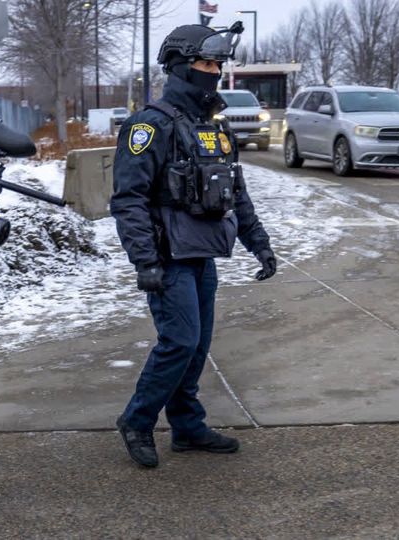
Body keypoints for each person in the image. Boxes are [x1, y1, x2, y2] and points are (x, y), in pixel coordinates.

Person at [109, 23, 277, 468]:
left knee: (197, 345)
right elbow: (128, 200)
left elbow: (235, 193)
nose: (214, 71)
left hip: (203, 253)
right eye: (205, 63)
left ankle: (186, 426)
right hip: (168, 258)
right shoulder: (148, 126)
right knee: (179, 341)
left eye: (218, 64)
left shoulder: (213, 128)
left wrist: (259, 244)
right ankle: (137, 421)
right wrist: (145, 261)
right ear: (181, 67)